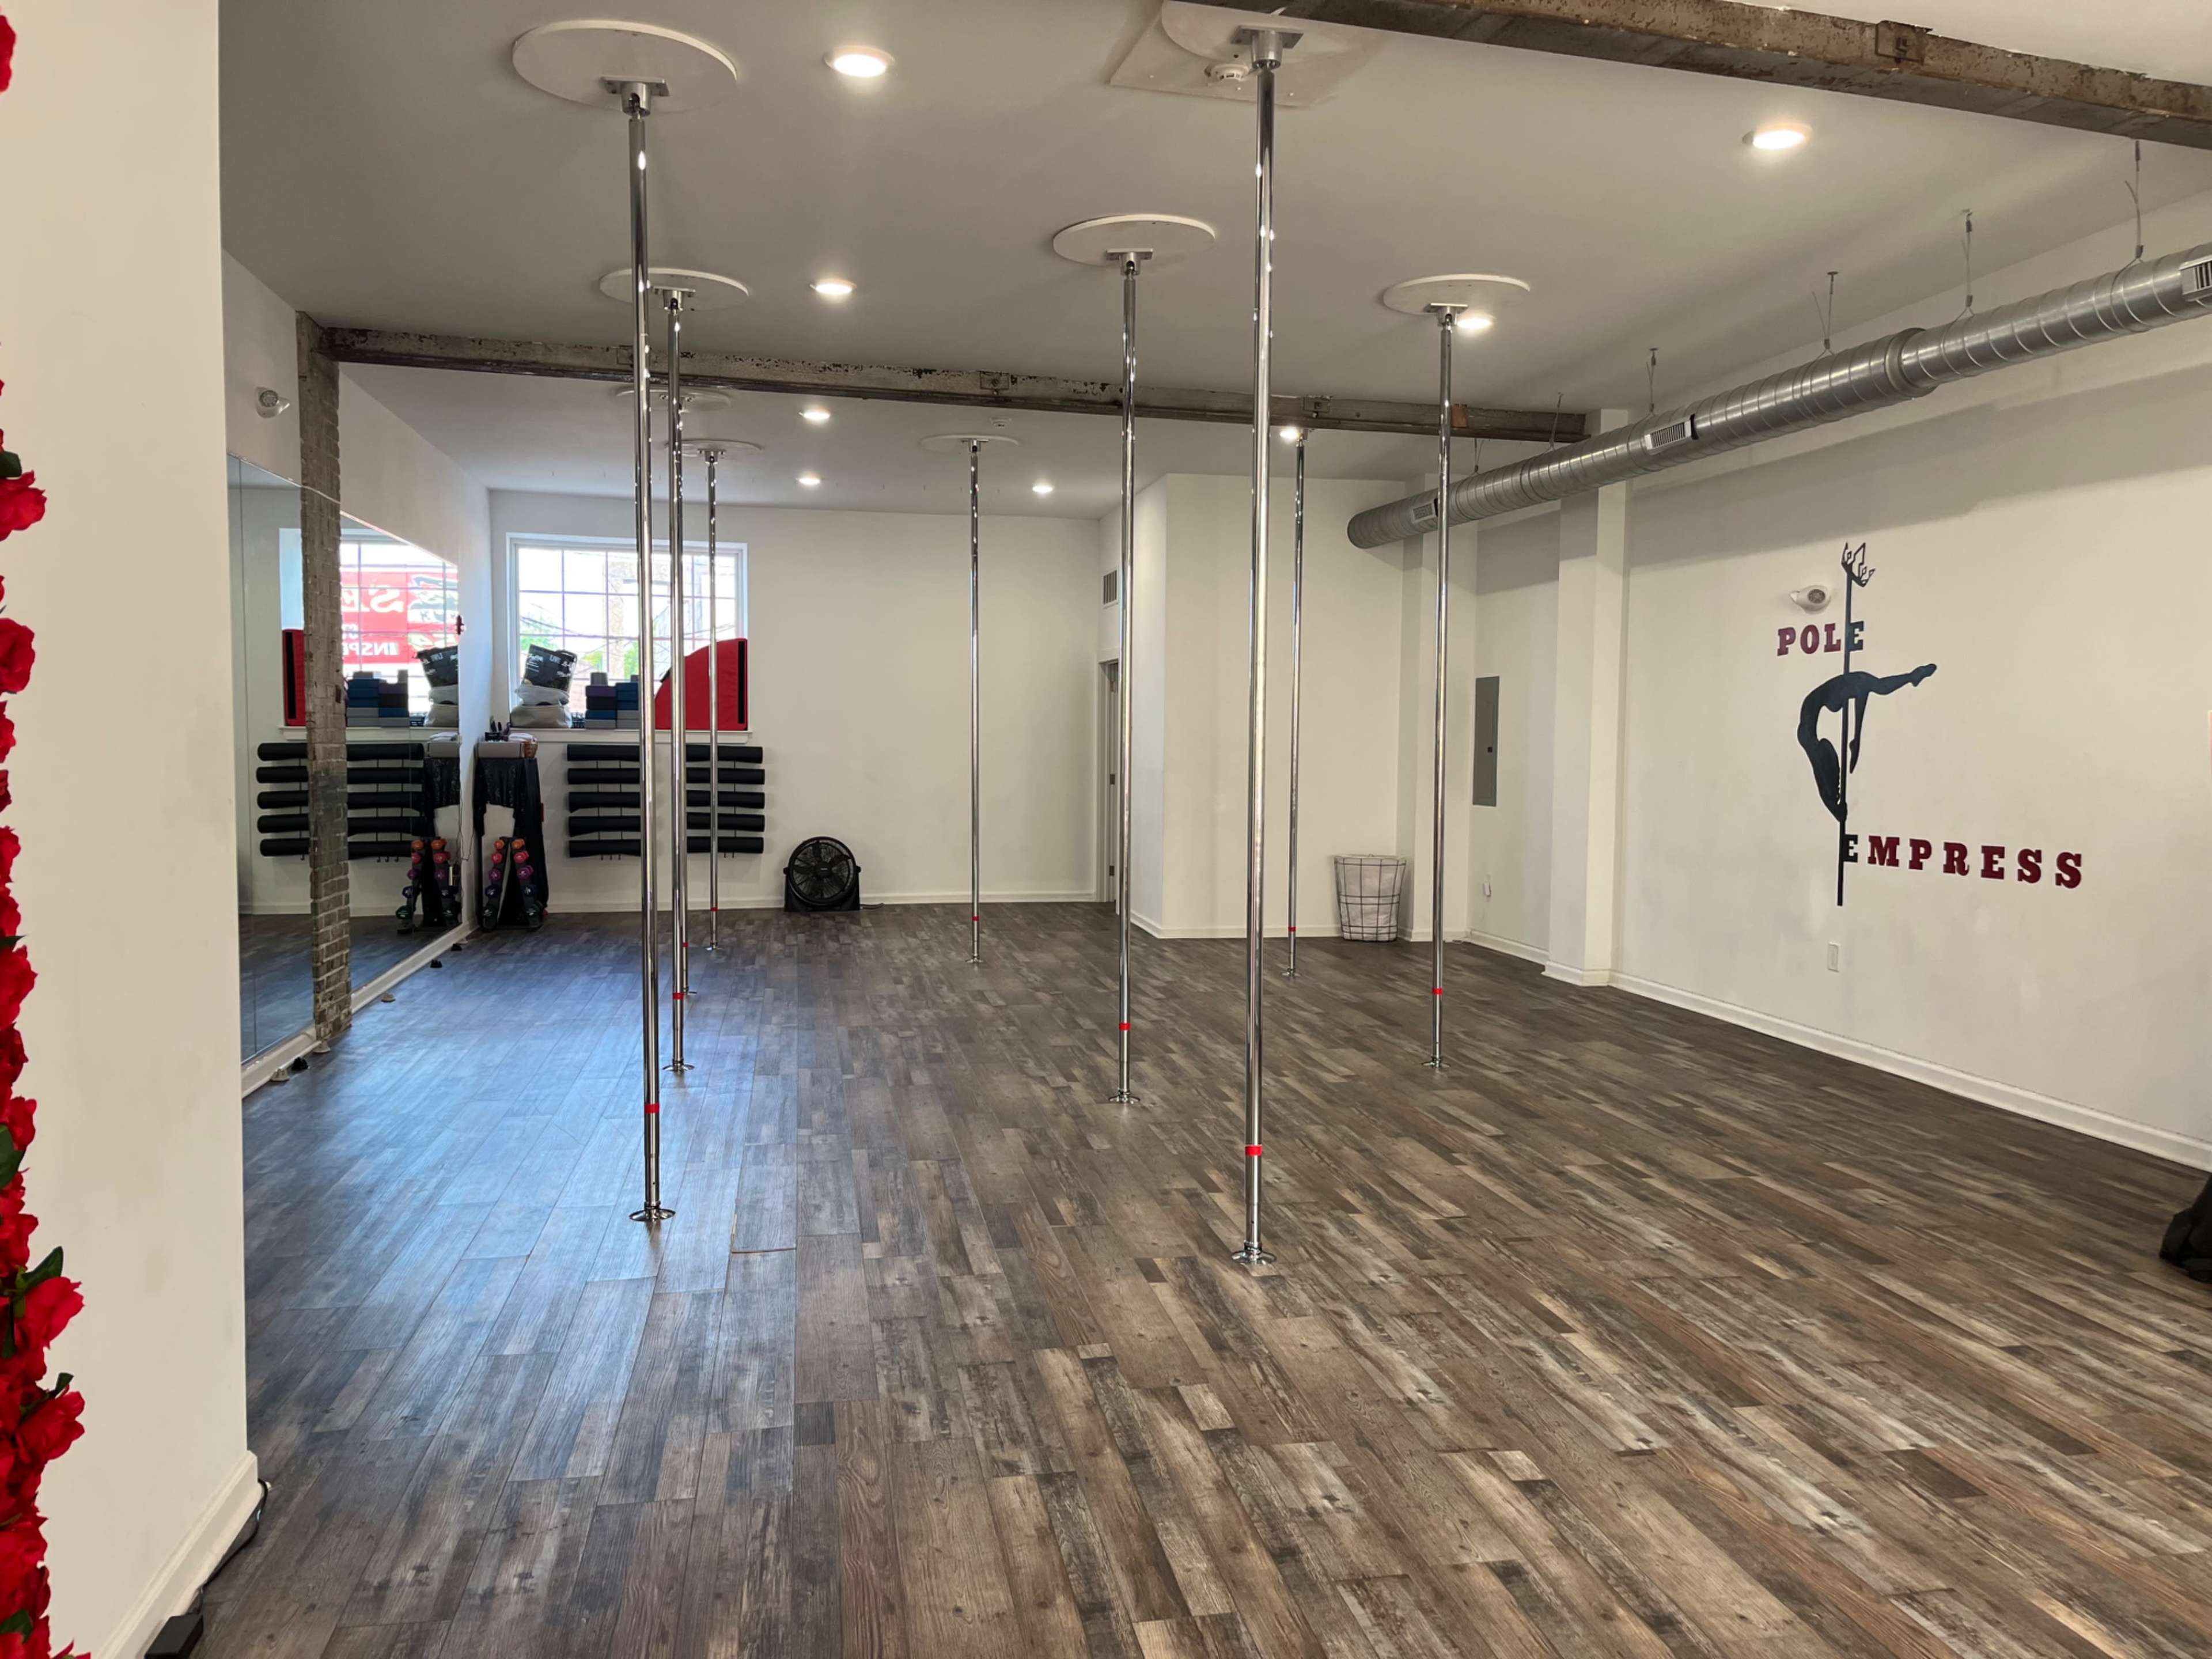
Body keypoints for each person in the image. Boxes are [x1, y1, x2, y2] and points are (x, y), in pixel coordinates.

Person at [1797, 664, 1937, 823]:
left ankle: (1912, 677)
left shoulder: (1857, 685)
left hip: (1814, 729)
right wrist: (1855, 742)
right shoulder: (1815, 707)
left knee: (1880, 687)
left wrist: (1856, 741)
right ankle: (1912, 677)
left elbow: (1860, 709)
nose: (1841, 706)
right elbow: (1818, 762)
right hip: (1808, 732)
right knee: (1822, 762)